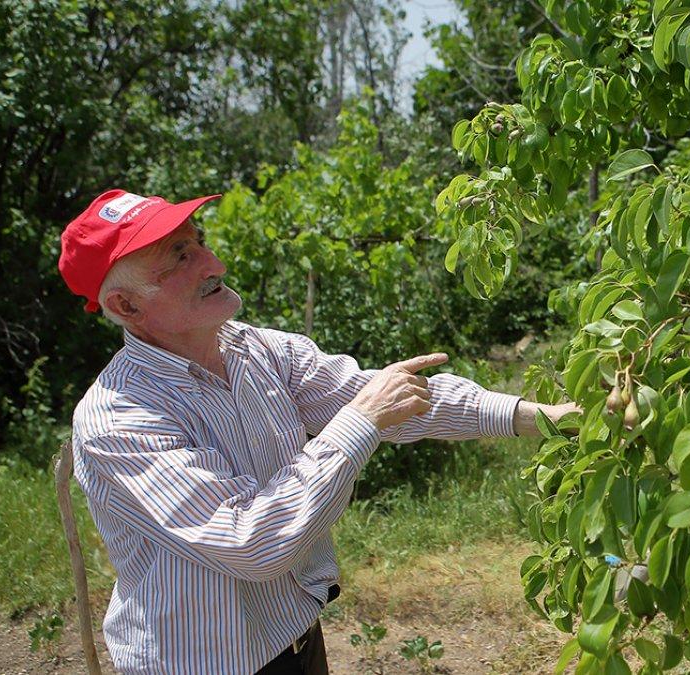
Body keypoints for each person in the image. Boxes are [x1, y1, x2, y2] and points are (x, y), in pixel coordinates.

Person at [58, 189, 578, 674]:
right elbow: (253, 542)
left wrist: (550, 418)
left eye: (199, 243)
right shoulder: (119, 418)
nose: (213, 264)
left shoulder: (255, 350)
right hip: (201, 660)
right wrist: (360, 423)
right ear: (127, 307)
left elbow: (389, 396)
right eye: (178, 257)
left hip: (296, 638)